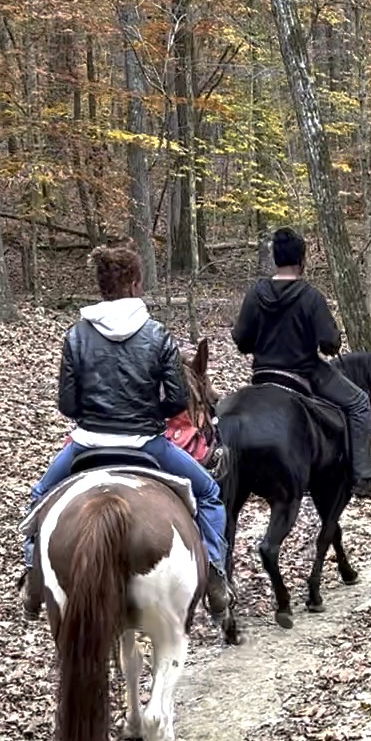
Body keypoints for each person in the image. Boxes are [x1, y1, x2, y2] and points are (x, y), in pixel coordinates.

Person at [19, 243, 230, 617]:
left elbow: (67, 405)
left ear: (101, 286)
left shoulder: (76, 335)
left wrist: (94, 415)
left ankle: (33, 580)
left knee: (39, 496)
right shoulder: (157, 335)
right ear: (135, 283)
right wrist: (150, 412)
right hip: (146, 442)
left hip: (87, 443)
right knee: (211, 493)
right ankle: (214, 573)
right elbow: (178, 401)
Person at [232, 227, 371, 499]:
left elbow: (241, 340)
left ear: (275, 258)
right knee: (358, 402)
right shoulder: (310, 297)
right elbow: (329, 344)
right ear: (302, 260)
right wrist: (332, 338)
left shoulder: (255, 294)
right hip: (305, 373)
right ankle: (363, 476)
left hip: (263, 375)